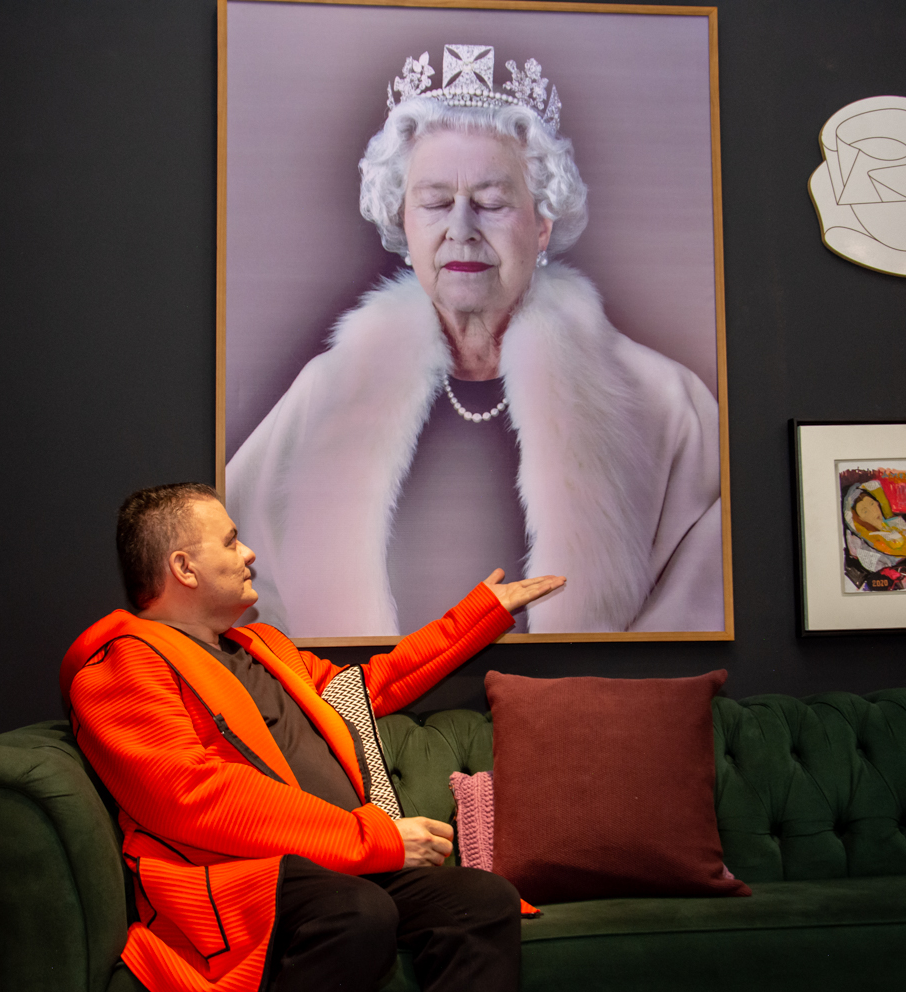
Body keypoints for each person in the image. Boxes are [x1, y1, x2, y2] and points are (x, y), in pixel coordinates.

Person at [227, 43, 722, 638]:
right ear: (403, 222)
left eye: (491, 202)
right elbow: (227, 581)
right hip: (367, 699)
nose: (460, 229)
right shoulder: (325, 394)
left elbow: (706, 593)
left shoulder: (663, 400)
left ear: (542, 224)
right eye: (435, 202)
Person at [60, 482, 565, 992]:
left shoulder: (262, 646)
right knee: (357, 911)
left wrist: (481, 613)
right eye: (231, 541)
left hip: (340, 864)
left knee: (481, 900)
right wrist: (372, 839)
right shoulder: (122, 664)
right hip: (248, 878)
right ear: (184, 568)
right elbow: (190, 794)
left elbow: (365, 688)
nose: (248, 553)